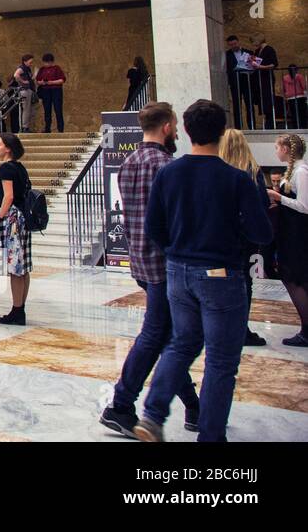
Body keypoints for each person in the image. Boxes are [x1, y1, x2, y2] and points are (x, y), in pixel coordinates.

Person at [133, 99, 272, 443]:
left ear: (187, 130)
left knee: (181, 344)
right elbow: (262, 233)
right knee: (222, 360)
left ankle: (152, 415)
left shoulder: (168, 172)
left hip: (178, 272)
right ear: (222, 132)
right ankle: (210, 435)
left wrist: (175, 251)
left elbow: (154, 226)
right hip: (220, 273)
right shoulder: (236, 180)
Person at [98, 102, 202, 438]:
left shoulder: (128, 163)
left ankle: (193, 405)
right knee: (158, 334)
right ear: (169, 127)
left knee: (170, 337)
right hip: (164, 263)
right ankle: (121, 404)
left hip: (141, 261)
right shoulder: (166, 165)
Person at [218, 128, 270, 347]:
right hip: (245, 237)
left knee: (220, 281)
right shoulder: (251, 171)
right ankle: (241, 328)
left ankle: (220, 327)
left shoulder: (218, 170)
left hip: (220, 237)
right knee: (244, 283)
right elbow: (262, 203)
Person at [0, 133, 32, 325]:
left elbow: (8, 196)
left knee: (15, 266)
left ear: (8, 148)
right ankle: (20, 307)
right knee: (23, 267)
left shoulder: (6, 168)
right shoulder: (20, 168)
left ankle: (16, 309)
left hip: (12, 217)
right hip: (23, 217)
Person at [269, 133, 308, 347]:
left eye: (277, 147)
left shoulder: (301, 171)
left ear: (285, 149)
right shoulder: (292, 171)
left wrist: (278, 197)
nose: (276, 151)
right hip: (289, 230)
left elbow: (305, 205)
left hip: (298, 232)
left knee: (296, 277)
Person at [223, 37, 254, 128]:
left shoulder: (248, 52)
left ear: (238, 42)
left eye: (235, 44)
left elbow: (253, 66)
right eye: (231, 45)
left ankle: (252, 126)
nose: (233, 46)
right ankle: (238, 127)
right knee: (237, 105)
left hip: (247, 81)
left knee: (249, 104)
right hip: (234, 82)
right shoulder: (227, 54)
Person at [250, 34, 278, 128]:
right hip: (259, 79)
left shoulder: (269, 49)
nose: (253, 44)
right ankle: (266, 122)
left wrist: (261, 67)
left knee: (268, 100)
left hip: (266, 78)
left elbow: (274, 64)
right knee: (262, 101)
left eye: (254, 41)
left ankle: (270, 123)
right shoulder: (258, 51)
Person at [34, 53, 66, 133]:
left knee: (58, 109)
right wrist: (43, 82)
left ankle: (60, 129)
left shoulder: (56, 68)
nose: (46, 64)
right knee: (47, 110)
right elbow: (38, 81)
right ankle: (47, 128)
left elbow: (62, 80)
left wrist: (51, 82)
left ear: (51, 62)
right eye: (45, 62)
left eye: (47, 62)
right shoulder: (42, 69)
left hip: (56, 90)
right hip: (45, 91)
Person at [11, 54, 36, 133]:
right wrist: (23, 81)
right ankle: (25, 127)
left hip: (29, 90)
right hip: (25, 90)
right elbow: (16, 75)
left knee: (30, 110)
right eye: (30, 62)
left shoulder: (27, 69)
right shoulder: (22, 68)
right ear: (25, 61)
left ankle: (26, 126)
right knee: (26, 109)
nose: (31, 64)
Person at [282, 65, 307, 129]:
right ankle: (304, 127)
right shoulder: (299, 76)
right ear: (297, 70)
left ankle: (296, 127)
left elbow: (284, 88)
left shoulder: (285, 78)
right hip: (300, 96)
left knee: (294, 114)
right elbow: (304, 87)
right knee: (302, 113)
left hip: (290, 98)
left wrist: (286, 96)